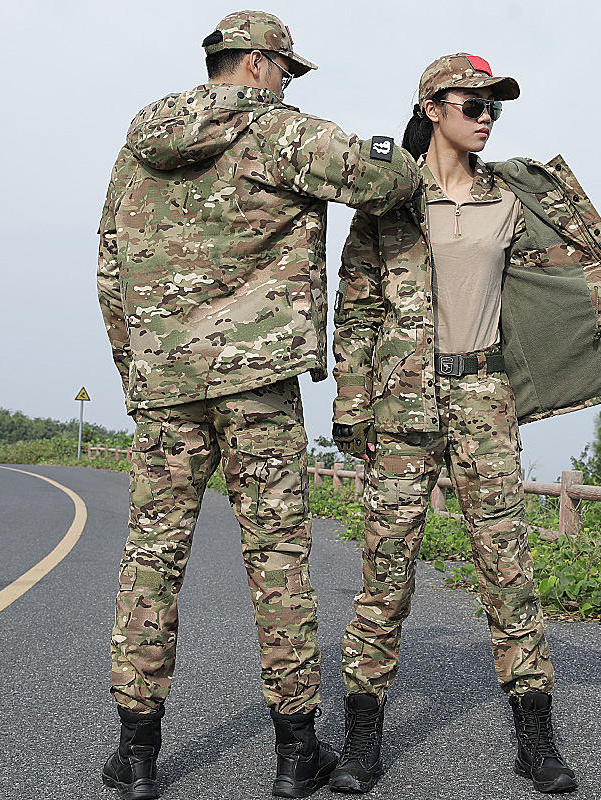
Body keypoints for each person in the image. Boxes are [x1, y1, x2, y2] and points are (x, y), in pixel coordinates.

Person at [97, 11, 420, 800]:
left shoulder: (140, 144)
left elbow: (109, 265)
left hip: (166, 387)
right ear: (256, 63)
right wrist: (397, 142)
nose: (290, 83)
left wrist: (139, 369)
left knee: (151, 565)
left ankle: (137, 756)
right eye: (287, 70)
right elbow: (393, 181)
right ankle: (293, 754)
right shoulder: (284, 133)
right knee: (276, 563)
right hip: (259, 386)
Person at [330, 53, 601, 794]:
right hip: (403, 407)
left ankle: (535, 738)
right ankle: (360, 738)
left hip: (483, 397)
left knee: (508, 571)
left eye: (494, 107)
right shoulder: (388, 202)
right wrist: (355, 415)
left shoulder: (509, 197)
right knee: (385, 576)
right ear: (432, 107)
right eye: (471, 103)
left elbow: (562, 277)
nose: (485, 116)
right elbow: (354, 312)